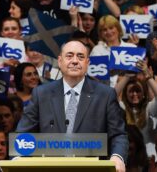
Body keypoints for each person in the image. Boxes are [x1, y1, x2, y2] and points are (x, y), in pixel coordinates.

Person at [16, 40, 128, 172]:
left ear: (87, 63)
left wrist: (117, 156)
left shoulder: (106, 94)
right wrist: (17, 157)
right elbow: (23, 134)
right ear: (60, 61)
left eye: (80, 57)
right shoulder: (41, 94)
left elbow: (118, 134)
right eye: (69, 56)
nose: (75, 61)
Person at [115, 60, 157, 157]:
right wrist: (126, 77)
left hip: (149, 156)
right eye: (131, 91)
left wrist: (148, 78)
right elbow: (110, 98)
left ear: (143, 94)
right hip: (128, 155)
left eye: (138, 91)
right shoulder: (122, 108)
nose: (135, 94)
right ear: (125, 94)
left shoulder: (149, 108)